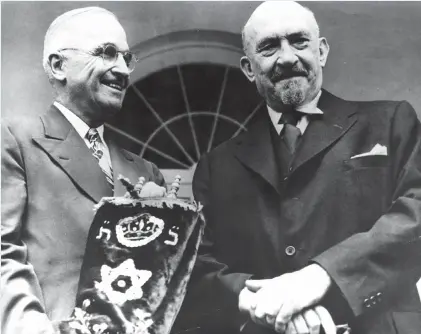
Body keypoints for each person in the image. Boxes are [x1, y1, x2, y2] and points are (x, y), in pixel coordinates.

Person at [182, 2, 421, 334]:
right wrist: (256, 300)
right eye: (268, 47)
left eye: (299, 41)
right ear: (249, 68)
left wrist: (321, 277)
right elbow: (196, 263)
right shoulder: (216, 165)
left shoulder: (391, 123)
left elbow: (416, 213)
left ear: (321, 51)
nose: (287, 57)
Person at [1, 7, 166, 334]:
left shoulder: (147, 173)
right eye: (106, 53)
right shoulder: (15, 141)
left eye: (126, 58)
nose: (121, 69)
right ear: (58, 65)